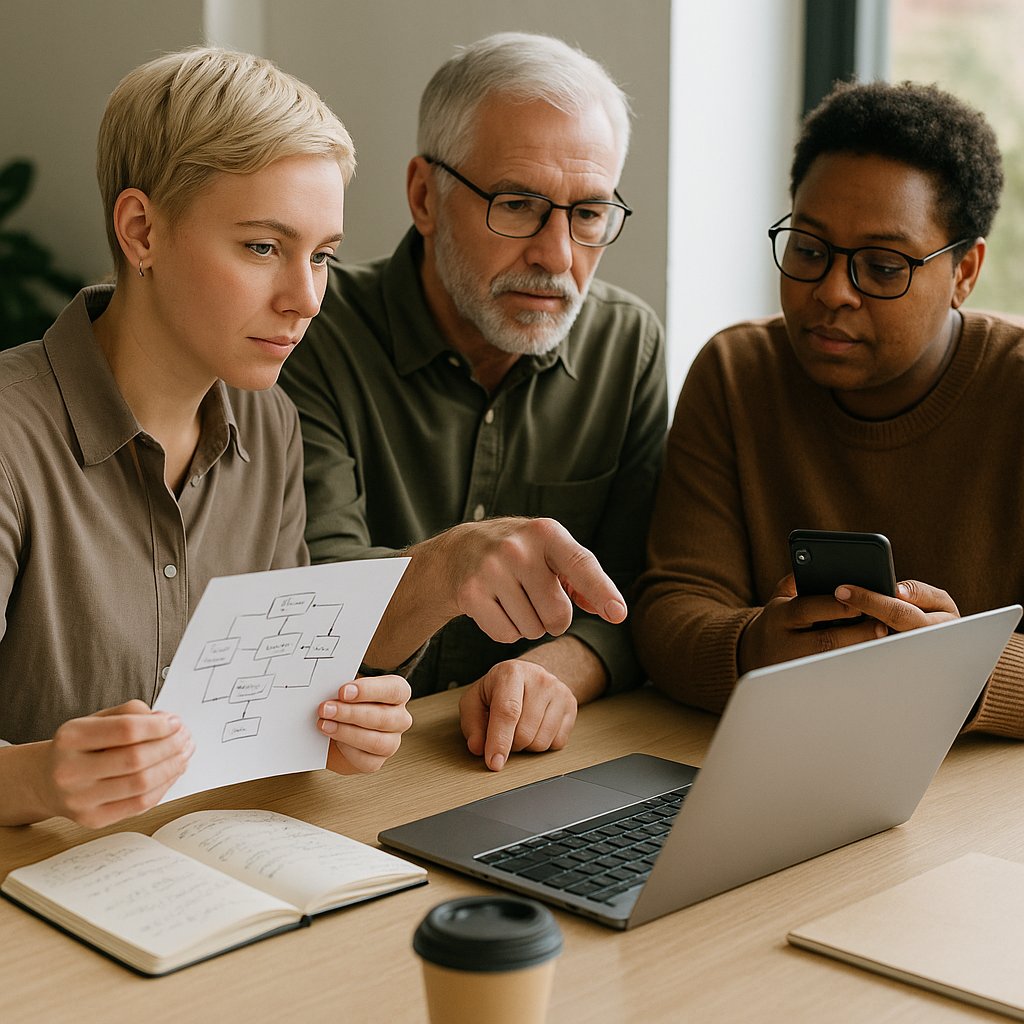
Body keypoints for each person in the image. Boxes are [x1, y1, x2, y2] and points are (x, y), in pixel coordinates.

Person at [0, 47, 414, 828]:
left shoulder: (272, 422)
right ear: (141, 230)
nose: (307, 299)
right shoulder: (8, 439)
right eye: (263, 247)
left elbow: (255, 716)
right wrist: (39, 778)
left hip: (210, 868)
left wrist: (327, 724)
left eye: (322, 256)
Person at [280, 32, 667, 772]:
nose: (556, 257)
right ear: (425, 196)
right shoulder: (309, 335)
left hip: (534, 770)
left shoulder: (627, 345)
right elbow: (315, 610)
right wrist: (452, 565)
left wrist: (558, 671)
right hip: (346, 772)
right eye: (518, 205)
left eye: (588, 214)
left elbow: (639, 592)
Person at [633, 79, 1024, 738]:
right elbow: (672, 604)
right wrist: (752, 648)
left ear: (964, 272)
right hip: (782, 763)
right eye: (809, 251)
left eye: (881, 267)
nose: (832, 292)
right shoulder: (738, 375)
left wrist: (968, 672)